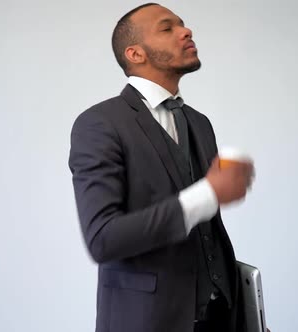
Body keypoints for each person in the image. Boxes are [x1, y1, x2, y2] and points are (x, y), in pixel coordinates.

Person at [69, 3, 256, 331]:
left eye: (182, 24)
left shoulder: (200, 123)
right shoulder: (99, 124)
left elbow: (206, 240)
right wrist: (209, 193)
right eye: (167, 28)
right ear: (136, 54)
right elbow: (103, 238)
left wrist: (244, 320)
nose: (187, 31)